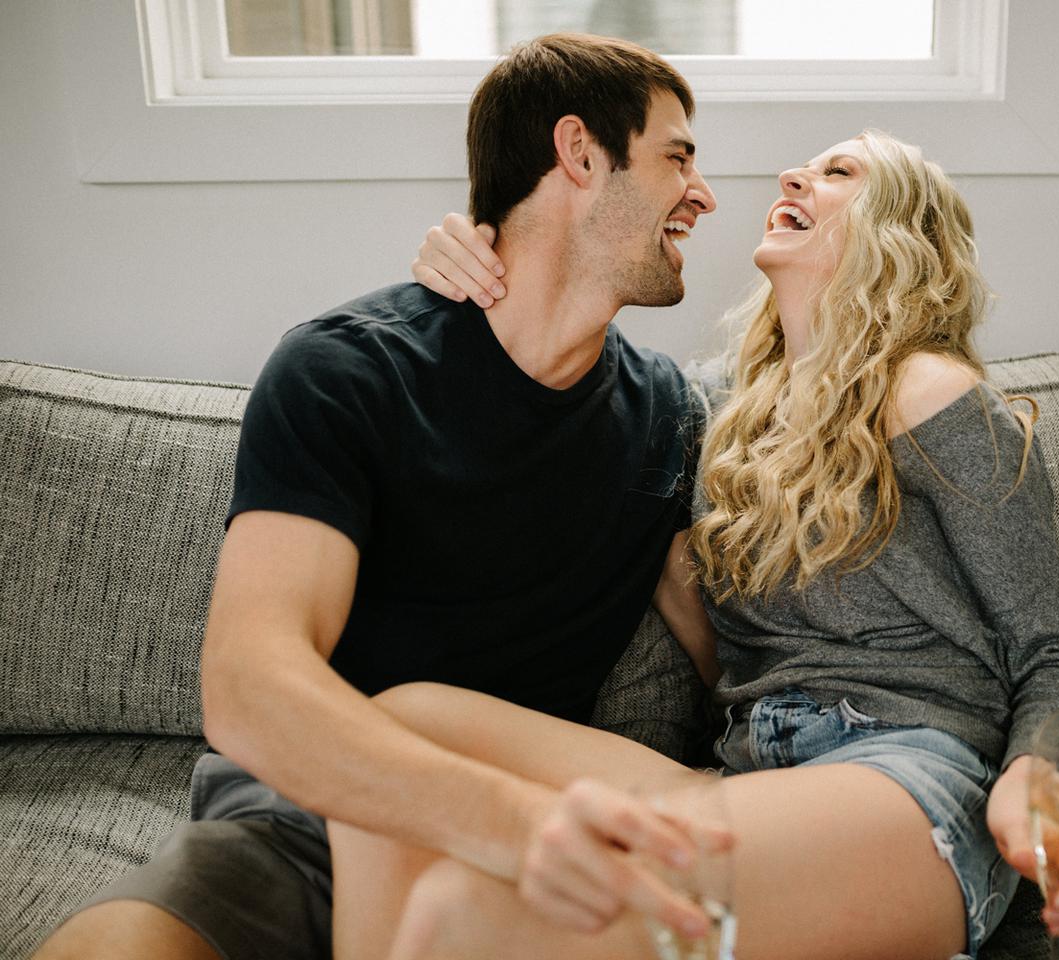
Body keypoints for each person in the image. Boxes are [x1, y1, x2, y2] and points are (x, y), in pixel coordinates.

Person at [348, 129, 1059, 960]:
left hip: (912, 775)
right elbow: (554, 382)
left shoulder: (933, 394)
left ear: (903, 228)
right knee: (397, 731)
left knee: (464, 910)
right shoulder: (713, 409)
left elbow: (1048, 654)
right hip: (751, 768)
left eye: (839, 171)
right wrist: (477, 274)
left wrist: (1047, 802)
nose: (791, 175)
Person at [33, 33, 722, 960]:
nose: (704, 193)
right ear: (580, 153)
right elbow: (249, 686)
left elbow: (743, 659)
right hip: (307, 821)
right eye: (677, 157)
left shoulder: (667, 416)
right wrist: (514, 824)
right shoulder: (347, 372)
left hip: (515, 867)